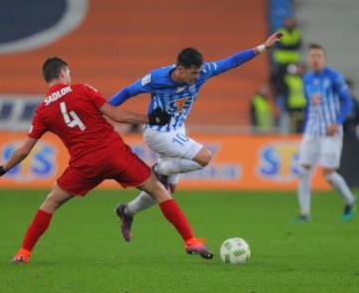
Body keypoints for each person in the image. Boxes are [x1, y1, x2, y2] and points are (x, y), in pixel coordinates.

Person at [0, 57, 214, 263]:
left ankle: (24, 252)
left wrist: (2, 169)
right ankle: (190, 240)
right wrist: (149, 118)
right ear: (64, 72)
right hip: (114, 153)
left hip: (85, 164)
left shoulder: (42, 111)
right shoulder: (83, 90)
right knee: (160, 191)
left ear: (47, 78)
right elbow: (117, 115)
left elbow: (25, 150)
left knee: (50, 203)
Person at [109, 32, 284, 218]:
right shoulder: (157, 78)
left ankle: (128, 211)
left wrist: (263, 47)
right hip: (158, 133)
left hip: (177, 130)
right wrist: (104, 108)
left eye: (199, 72)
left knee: (168, 188)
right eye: (193, 73)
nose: (197, 76)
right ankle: (162, 169)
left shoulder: (202, 73)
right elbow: (128, 91)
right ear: (180, 69)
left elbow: (232, 61)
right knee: (205, 157)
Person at [292, 43, 356, 223]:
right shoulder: (307, 79)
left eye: (319, 55)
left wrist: (337, 122)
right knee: (303, 171)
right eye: (312, 55)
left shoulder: (335, 77)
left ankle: (350, 200)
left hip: (330, 132)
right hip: (312, 131)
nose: (315, 59)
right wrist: (304, 125)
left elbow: (347, 102)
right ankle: (305, 213)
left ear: (324, 58)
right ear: (308, 59)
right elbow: (309, 105)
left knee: (328, 174)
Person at [277, 62, 307, 133]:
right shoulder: (288, 78)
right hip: (293, 106)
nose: (300, 70)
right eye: (299, 68)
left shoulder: (305, 79)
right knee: (293, 126)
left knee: (302, 125)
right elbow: (280, 81)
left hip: (303, 106)